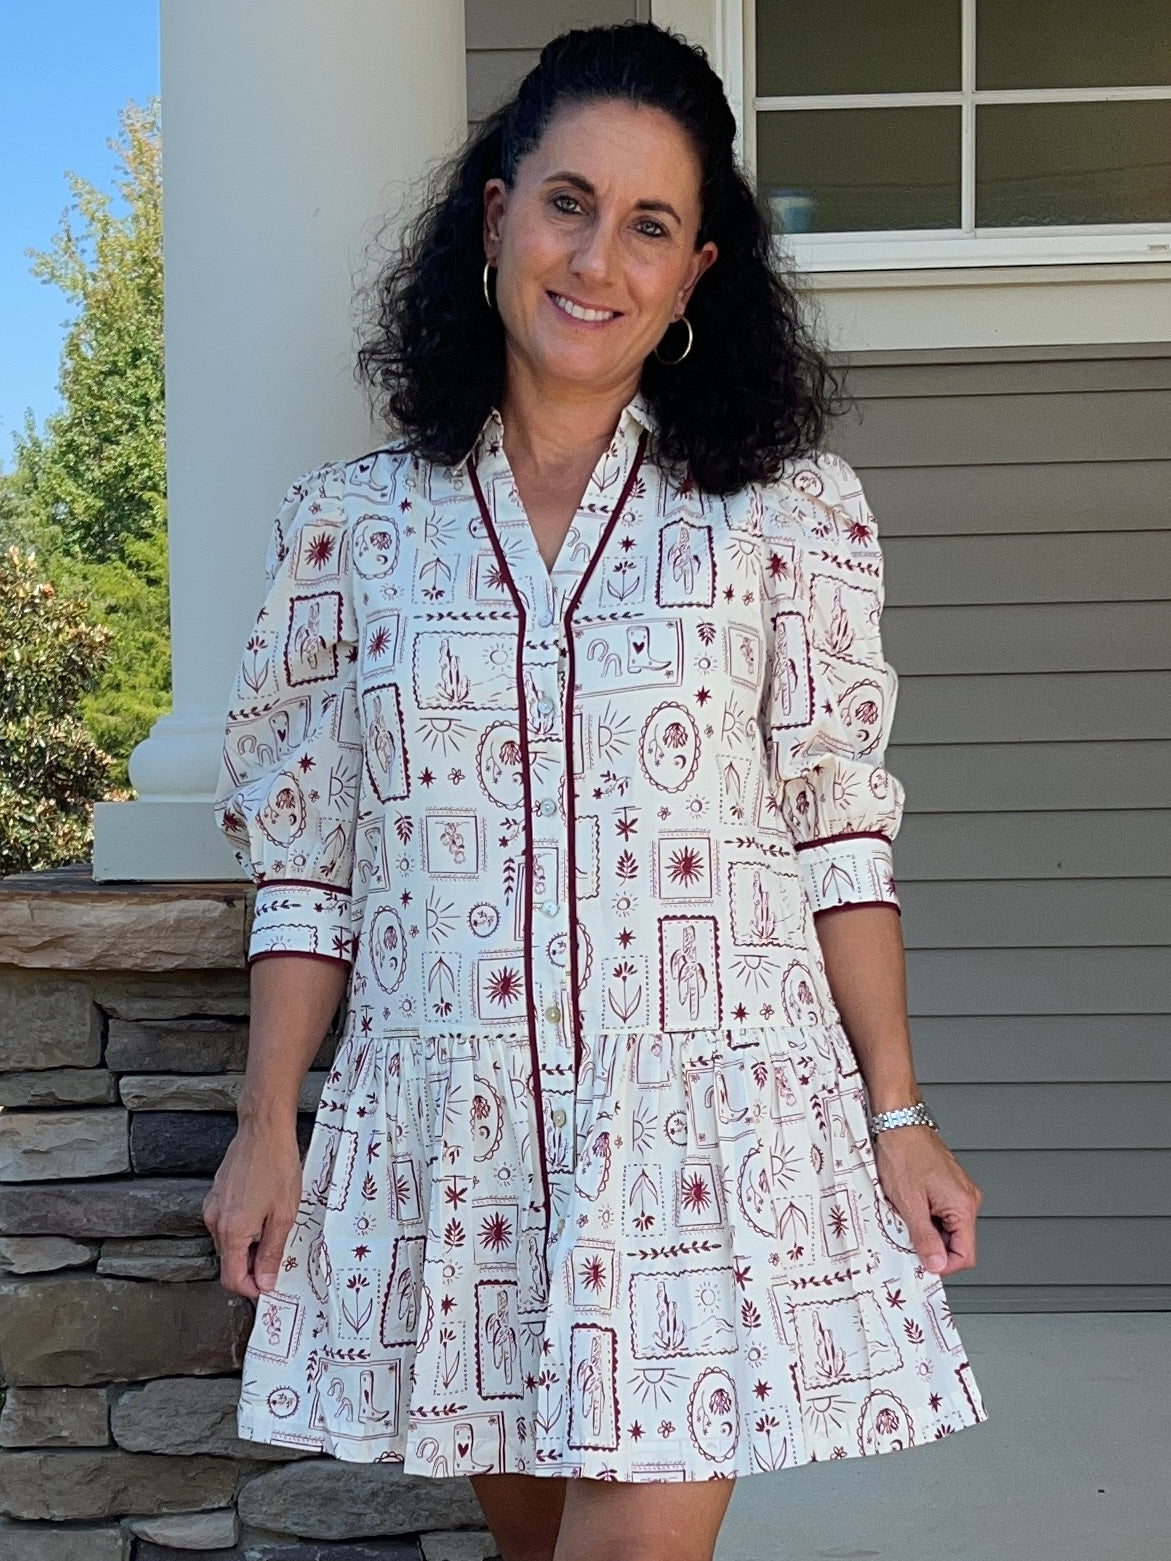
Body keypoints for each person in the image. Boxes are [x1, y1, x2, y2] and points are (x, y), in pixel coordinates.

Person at [204, 20, 989, 1561]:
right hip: (461, 1138)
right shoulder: (352, 533)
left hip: (699, 1131)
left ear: (696, 271)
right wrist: (264, 1121)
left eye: (649, 226)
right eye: (568, 203)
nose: (597, 261)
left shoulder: (784, 519)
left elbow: (839, 824)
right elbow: (313, 865)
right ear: (497, 216)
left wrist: (899, 1108)